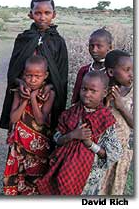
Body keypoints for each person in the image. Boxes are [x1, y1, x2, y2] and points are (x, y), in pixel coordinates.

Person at [35, 71, 122, 195]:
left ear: (104, 93)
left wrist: (90, 144)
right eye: (84, 89)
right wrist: (72, 135)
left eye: (93, 91)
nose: (87, 94)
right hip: (62, 170)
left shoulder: (106, 119)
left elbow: (112, 154)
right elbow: (57, 139)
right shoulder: (69, 113)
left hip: (89, 179)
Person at [0, 0, 68, 133]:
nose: (42, 17)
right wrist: (20, 83)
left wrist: (49, 86)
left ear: (54, 14)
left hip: (46, 98)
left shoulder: (58, 42)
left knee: (45, 138)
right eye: (38, 13)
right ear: (30, 14)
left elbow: (61, 75)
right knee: (19, 138)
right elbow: (13, 71)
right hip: (22, 95)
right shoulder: (23, 39)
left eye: (47, 13)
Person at [3, 55, 55, 195]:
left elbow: (40, 120)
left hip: (38, 147)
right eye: (28, 75)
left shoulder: (49, 94)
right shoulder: (19, 92)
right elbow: (13, 119)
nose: (32, 80)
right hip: (19, 145)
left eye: (37, 76)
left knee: (35, 181)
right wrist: (25, 100)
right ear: (23, 75)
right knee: (17, 180)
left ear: (45, 76)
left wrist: (33, 98)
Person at [99, 50, 133, 195]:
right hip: (100, 152)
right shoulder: (100, 89)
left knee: (113, 191)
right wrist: (106, 103)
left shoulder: (133, 92)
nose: (131, 74)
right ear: (111, 72)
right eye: (126, 70)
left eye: (132, 69)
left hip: (120, 154)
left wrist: (121, 106)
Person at [71, 28, 113, 104]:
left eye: (99, 46)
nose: (94, 50)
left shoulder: (112, 72)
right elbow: (75, 98)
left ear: (109, 48)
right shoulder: (84, 71)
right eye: (91, 46)